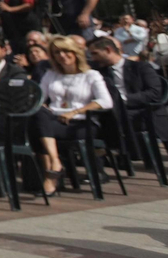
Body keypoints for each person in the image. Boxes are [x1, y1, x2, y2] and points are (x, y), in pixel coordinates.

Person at [33, 36, 112, 197]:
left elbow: (106, 101)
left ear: (75, 53)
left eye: (66, 51)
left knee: (36, 130)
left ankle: (52, 176)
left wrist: (75, 111)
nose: (62, 55)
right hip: (54, 121)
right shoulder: (51, 74)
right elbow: (38, 98)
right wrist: (42, 106)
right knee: (37, 115)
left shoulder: (91, 75)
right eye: (57, 52)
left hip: (81, 123)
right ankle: (55, 163)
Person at [86, 35, 168, 163]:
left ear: (108, 50)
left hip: (142, 111)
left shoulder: (140, 67)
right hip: (111, 111)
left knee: (113, 117)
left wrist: (122, 99)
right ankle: (99, 162)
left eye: (95, 53)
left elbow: (154, 93)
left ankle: (119, 154)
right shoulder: (98, 72)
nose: (93, 58)